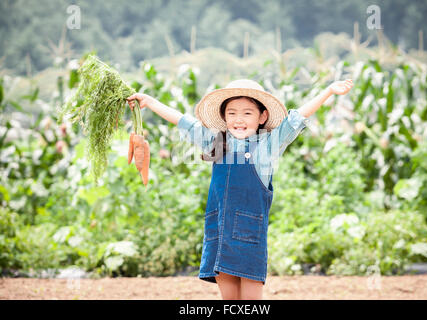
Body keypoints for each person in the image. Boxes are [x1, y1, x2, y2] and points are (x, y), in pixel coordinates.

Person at [127, 78, 353, 300]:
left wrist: (328, 92)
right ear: (224, 117)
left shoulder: (266, 146)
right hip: (218, 234)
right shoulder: (217, 143)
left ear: (262, 116)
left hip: (249, 236)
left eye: (247, 113)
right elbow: (185, 122)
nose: (239, 119)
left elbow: (296, 119)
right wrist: (150, 102)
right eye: (232, 113)